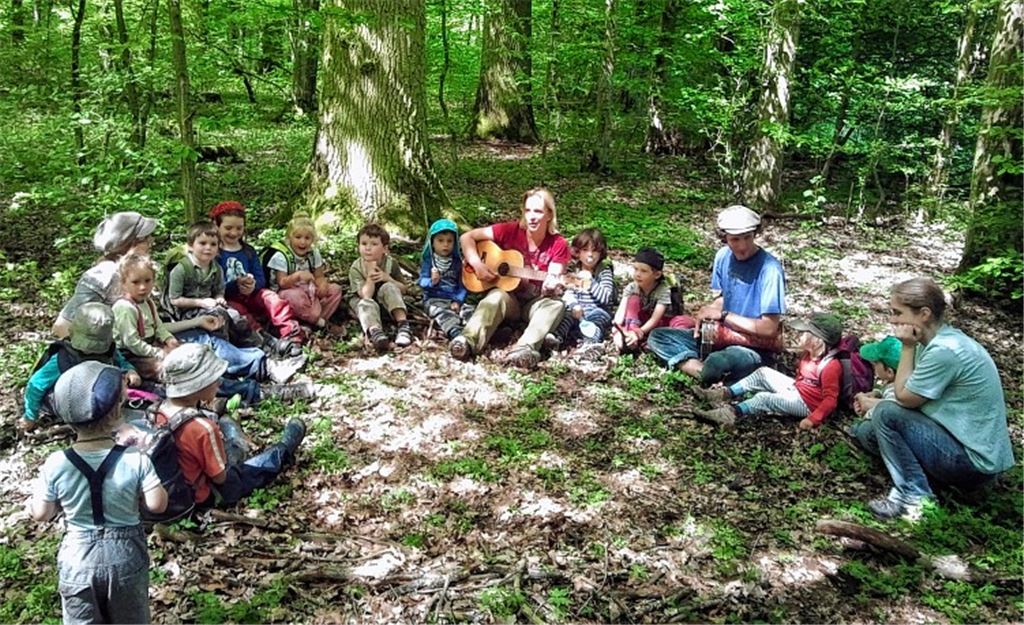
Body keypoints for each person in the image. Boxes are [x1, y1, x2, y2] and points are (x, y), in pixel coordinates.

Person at [859, 278, 1014, 522]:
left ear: (924, 314)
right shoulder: (934, 342)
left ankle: (915, 497)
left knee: (885, 416)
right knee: (868, 432)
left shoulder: (944, 351)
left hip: (972, 462)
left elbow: (905, 398)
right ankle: (934, 483)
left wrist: (906, 347)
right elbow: (910, 394)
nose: (892, 320)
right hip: (955, 441)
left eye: (897, 313)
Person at [29, 361, 167, 624]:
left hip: (77, 557)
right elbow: (158, 504)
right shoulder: (135, 459)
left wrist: (38, 504)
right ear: (117, 410)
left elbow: (41, 513)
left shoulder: (56, 462)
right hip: (125, 556)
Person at [112, 254, 306, 389]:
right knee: (184, 366)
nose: (143, 287)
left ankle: (262, 363)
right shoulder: (125, 308)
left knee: (204, 343)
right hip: (136, 355)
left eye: (147, 281)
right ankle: (246, 377)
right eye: (136, 282)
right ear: (124, 283)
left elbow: (159, 327)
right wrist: (158, 352)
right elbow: (132, 342)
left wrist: (168, 338)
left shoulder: (147, 302)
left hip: (153, 344)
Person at [647, 205, 786, 386]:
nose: (742, 246)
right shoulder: (723, 257)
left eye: (747, 238)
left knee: (720, 362)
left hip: (753, 347)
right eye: (735, 239)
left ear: (755, 234)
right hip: (719, 337)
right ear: (724, 237)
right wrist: (711, 309)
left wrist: (724, 315)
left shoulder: (770, 269)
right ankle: (704, 372)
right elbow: (723, 298)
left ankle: (715, 373)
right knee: (658, 337)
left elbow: (769, 328)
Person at [155, 343, 307, 508]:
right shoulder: (203, 428)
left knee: (226, 444)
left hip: (173, 491)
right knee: (254, 469)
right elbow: (220, 478)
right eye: (215, 379)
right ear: (198, 386)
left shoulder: (157, 411)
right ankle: (283, 448)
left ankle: (236, 443)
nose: (219, 383)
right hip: (203, 496)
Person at [451, 187, 570, 370]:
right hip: (509, 300)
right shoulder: (509, 230)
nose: (531, 216)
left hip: (535, 303)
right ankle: (467, 341)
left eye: (538, 211)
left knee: (556, 305)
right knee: (496, 296)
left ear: (549, 215)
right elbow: (467, 237)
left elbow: (554, 277)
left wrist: (551, 287)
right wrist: (478, 265)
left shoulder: (558, 244)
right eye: (528, 210)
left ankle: (525, 349)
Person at [695, 313, 844, 430]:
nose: (800, 335)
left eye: (805, 333)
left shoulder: (830, 366)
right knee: (764, 373)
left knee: (764, 398)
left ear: (816, 341)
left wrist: (813, 419)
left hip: (808, 405)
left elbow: (830, 400)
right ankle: (724, 393)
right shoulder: (807, 355)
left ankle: (731, 414)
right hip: (797, 390)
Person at [22, 303, 141, 431]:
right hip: (67, 401)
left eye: (96, 348)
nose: (91, 351)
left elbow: (119, 361)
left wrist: (129, 370)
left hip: (97, 395)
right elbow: (36, 385)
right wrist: (30, 416)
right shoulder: (63, 358)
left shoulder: (108, 350)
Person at [210, 201, 303, 355]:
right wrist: (235, 285)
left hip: (253, 295)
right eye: (228, 228)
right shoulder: (214, 253)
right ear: (217, 226)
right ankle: (263, 339)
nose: (234, 233)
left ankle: (292, 336)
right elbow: (213, 286)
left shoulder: (248, 251)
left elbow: (261, 278)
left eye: (239, 228)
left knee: (272, 299)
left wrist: (253, 285)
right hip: (229, 298)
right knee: (238, 313)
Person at [53, 211, 158, 338]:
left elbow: (150, 327)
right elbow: (61, 326)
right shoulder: (103, 276)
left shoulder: (138, 272)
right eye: (146, 239)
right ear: (131, 245)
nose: (151, 243)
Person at [265, 211, 344, 332]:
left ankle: (312, 322)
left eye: (307, 238)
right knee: (295, 297)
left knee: (335, 290)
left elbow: (319, 275)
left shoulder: (313, 253)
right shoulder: (281, 256)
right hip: (289, 292)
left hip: (310, 291)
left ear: (313, 239)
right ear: (289, 238)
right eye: (298, 237)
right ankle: (321, 323)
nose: (303, 242)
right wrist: (297, 276)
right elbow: (282, 283)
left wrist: (322, 284)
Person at [547, 228, 616, 351]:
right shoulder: (574, 270)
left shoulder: (603, 272)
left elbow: (606, 298)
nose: (590, 254)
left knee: (598, 317)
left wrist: (591, 282)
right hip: (578, 310)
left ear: (601, 253)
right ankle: (557, 338)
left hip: (597, 309)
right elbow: (568, 292)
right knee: (566, 316)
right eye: (585, 250)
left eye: (594, 251)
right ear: (578, 252)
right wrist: (574, 305)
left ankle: (592, 341)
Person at [348, 224, 412, 352]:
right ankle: (375, 332)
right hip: (366, 301)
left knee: (389, 287)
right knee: (364, 304)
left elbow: (404, 288)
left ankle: (403, 326)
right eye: (364, 243)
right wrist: (370, 276)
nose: (368, 248)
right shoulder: (356, 268)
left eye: (374, 244)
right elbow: (366, 295)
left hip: (386, 303)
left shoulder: (390, 263)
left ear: (385, 249)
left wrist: (387, 278)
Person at [611, 247, 686, 354]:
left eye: (643, 271)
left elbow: (656, 318)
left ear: (657, 274)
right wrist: (617, 328)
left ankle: (645, 339)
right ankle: (630, 338)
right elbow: (621, 313)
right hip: (640, 322)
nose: (638, 274)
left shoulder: (663, 290)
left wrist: (639, 332)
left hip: (661, 323)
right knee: (633, 300)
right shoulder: (632, 288)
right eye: (636, 269)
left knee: (682, 322)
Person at [418, 218, 471, 342]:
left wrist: (458, 300)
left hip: (453, 298)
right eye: (440, 241)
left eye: (449, 241)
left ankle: (475, 330)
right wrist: (432, 281)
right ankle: (455, 333)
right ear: (432, 242)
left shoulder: (457, 263)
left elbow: (463, 284)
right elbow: (421, 282)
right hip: (434, 299)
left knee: (469, 310)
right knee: (442, 313)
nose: (445, 245)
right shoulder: (429, 262)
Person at [847, 336, 902, 449]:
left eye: (876, 363)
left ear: (889, 372)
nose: (874, 365)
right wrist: (877, 393)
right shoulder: (899, 382)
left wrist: (863, 400)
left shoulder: (896, 390)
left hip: (897, 434)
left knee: (864, 430)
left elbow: (887, 409)